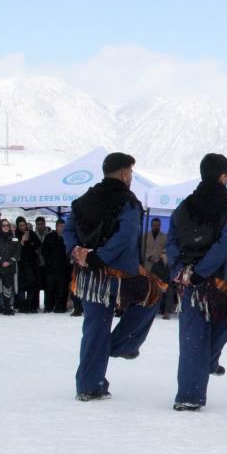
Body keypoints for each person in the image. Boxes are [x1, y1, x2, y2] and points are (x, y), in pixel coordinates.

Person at [64, 152, 162, 401]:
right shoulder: (127, 202)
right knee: (153, 294)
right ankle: (121, 345)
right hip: (119, 273)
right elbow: (126, 236)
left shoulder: (83, 199)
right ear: (125, 174)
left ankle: (89, 385)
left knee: (95, 327)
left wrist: (77, 251)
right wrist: (100, 257)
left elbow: (69, 229)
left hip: (87, 276)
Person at [167, 153, 227, 410]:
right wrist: (203, 270)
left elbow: (173, 241)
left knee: (192, 334)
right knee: (226, 322)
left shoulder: (184, 206)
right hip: (221, 281)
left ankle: (189, 391)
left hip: (189, 280)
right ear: (223, 176)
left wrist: (182, 268)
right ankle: (204, 368)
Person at [41, 219, 71, 313]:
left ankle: (60, 306)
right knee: (49, 288)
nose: (61, 228)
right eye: (60, 226)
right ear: (56, 227)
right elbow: (44, 251)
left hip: (64, 268)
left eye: (63, 226)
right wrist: (49, 262)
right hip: (51, 268)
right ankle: (48, 306)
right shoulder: (49, 237)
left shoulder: (67, 238)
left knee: (62, 288)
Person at [14, 217, 40, 313]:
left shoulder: (31, 234)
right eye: (20, 225)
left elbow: (38, 245)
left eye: (24, 225)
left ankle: (30, 305)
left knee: (31, 285)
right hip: (20, 264)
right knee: (21, 286)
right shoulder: (15, 235)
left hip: (31, 263)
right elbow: (16, 250)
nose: (22, 227)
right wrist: (22, 242)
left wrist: (29, 242)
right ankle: (21, 305)